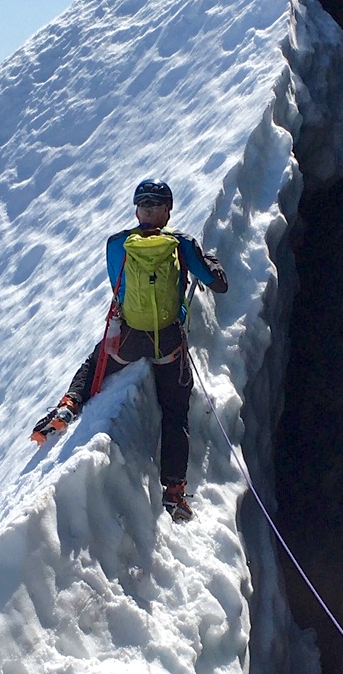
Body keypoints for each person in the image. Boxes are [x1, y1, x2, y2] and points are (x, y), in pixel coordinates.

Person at [31, 179, 228, 521]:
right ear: (167, 212)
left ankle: (69, 404)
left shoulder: (117, 244)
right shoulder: (181, 244)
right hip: (167, 342)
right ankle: (174, 492)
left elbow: (117, 288)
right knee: (175, 411)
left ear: (138, 211)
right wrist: (207, 261)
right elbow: (219, 284)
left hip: (128, 339)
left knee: (95, 363)